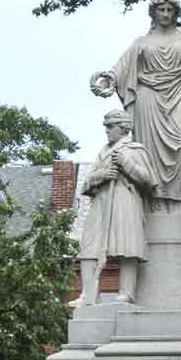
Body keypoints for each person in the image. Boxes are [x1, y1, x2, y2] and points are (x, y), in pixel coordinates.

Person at [90, 0, 181, 203]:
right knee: (148, 153)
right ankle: (153, 202)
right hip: (149, 101)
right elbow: (121, 68)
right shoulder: (141, 42)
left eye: (169, 10)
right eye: (161, 9)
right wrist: (108, 79)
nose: (165, 14)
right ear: (153, 13)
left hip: (180, 97)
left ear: (175, 13)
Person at [70, 109, 157, 306]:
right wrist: (102, 174)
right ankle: (89, 295)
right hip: (101, 200)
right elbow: (86, 183)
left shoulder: (135, 149)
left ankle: (126, 293)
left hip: (124, 200)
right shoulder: (103, 151)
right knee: (89, 247)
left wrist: (125, 164)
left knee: (126, 245)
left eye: (111, 127)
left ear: (123, 127)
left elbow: (149, 180)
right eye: (106, 127)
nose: (107, 131)